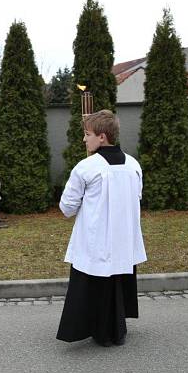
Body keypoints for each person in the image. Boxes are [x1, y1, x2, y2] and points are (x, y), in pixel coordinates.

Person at [56, 110, 147, 346]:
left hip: (95, 239)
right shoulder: (134, 164)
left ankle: (98, 328)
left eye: (87, 134)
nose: (84, 140)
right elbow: (136, 198)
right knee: (115, 279)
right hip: (123, 238)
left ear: (102, 137)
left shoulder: (86, 167)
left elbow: (66, 207)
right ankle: (116, 328)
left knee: (95, 280)